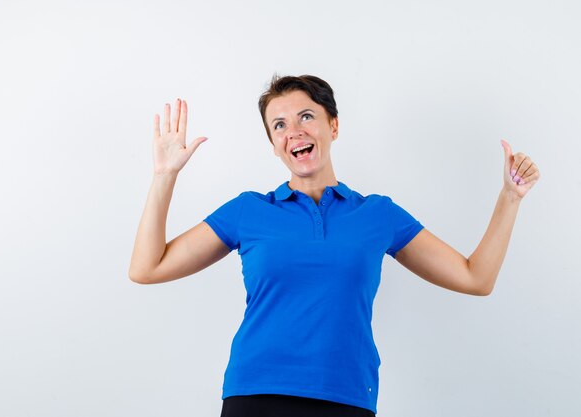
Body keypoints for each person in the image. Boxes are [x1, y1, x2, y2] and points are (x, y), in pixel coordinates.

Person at [128, 75, 540, 417]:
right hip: (255, 395)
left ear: (334, 126)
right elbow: (147, 268)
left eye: (307, 116)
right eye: (280, 125)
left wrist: (509, 198)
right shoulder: (247, 212)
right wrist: (165, 175)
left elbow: (476, 277)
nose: (296, 132)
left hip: (345, 398)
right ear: (273, 144)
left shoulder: (377, 215)